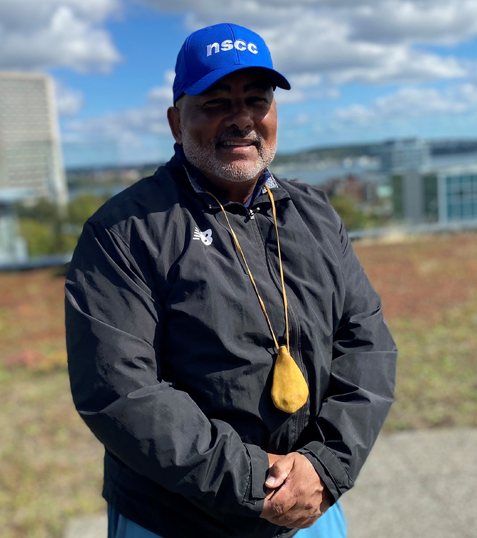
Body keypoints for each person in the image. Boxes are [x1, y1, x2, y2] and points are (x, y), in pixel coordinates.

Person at [64, 22, 397, 538]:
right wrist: (255, 483)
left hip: (311, 505)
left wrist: (326, 467)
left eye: (256, 100)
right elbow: (118, 390)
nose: (241, 119)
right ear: (177, 121)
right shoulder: (122, 231)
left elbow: (367, 343)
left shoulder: (314, 213)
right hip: (176, 519)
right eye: (216, 102)